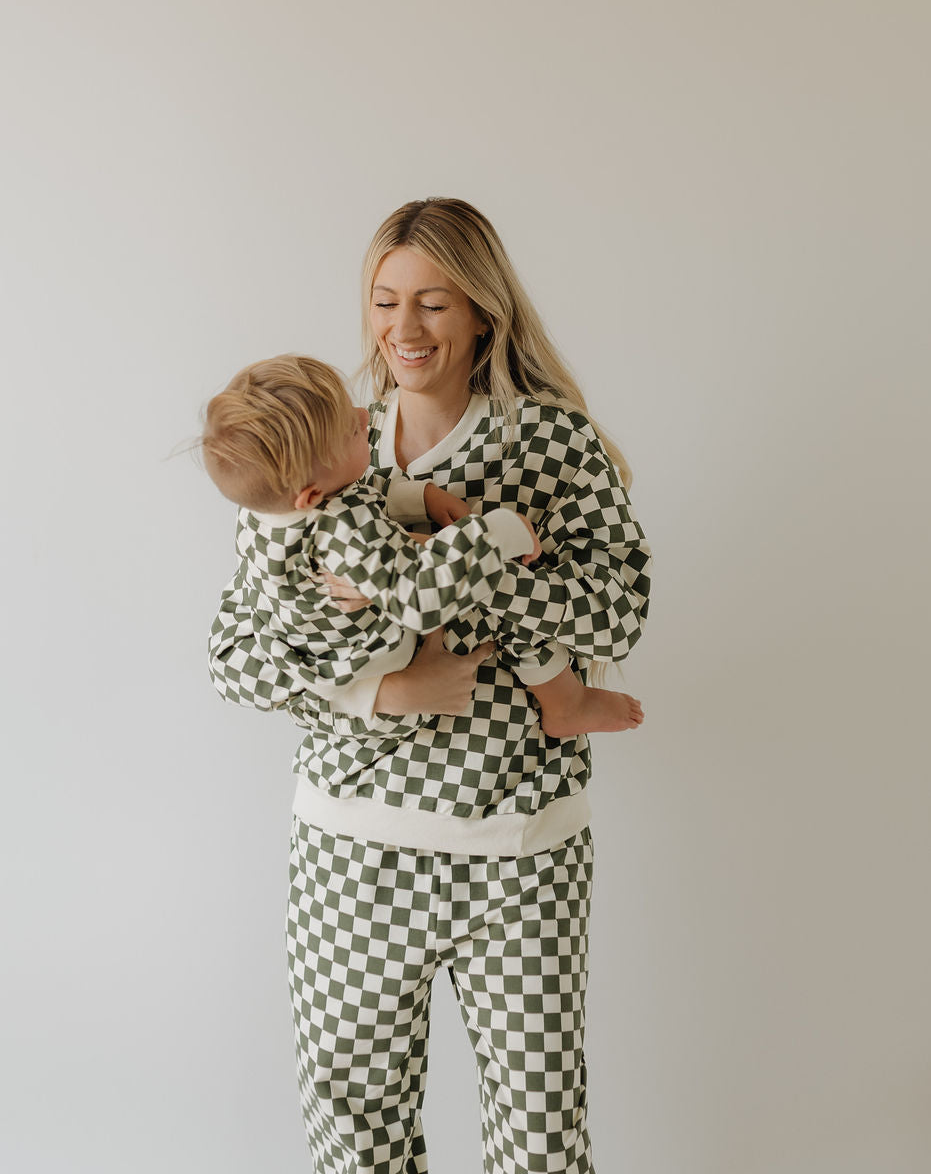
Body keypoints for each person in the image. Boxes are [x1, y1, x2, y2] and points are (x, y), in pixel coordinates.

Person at [208, 197, 653, 1174]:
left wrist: (472, 574)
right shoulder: (319, 441)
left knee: (539, 1142)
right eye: (383, 301)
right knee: (355, 1140)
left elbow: (617, 615)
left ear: (484, 312)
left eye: (435, 304)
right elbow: (234, 655)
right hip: (351, 860)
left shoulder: (555, 445)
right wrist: (382, 689)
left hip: (521, 858)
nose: (403, 329)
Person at [202, 352, 645, 738]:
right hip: (384, 669)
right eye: (349, 432)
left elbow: (352, 494)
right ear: (312, 497)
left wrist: (419, 496)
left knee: (500, 589)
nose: (363, 417)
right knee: (482, 584)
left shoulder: (262, 516)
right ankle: (565, 703)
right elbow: (419, 594)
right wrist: (498, 532)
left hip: (331, 666)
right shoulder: (342, 530)